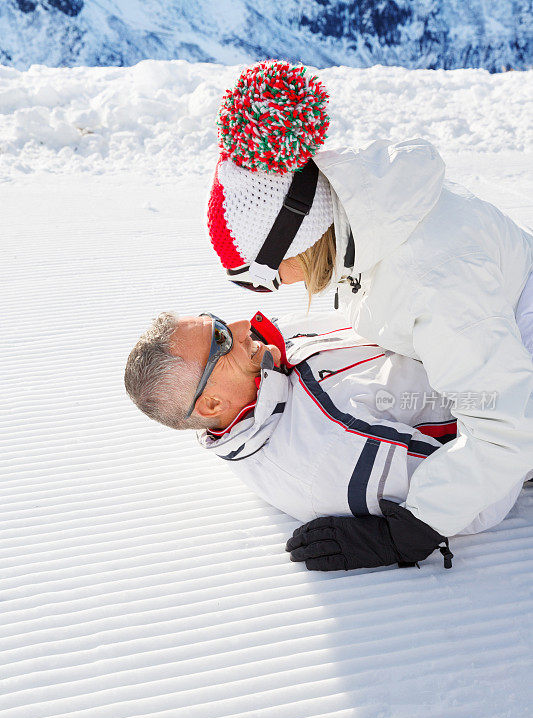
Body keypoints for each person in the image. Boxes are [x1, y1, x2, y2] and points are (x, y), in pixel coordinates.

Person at [206, 60, 533, 541]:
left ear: (296, 240)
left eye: (260, 279)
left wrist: (417, 524)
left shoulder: (431, 279)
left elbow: (507, 431)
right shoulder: (360, 212)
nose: (272, 292)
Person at [124, 309, 530, 572]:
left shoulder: (269, 361)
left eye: (214, 322)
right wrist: (398, 537)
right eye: (219, 342)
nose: (240, 326)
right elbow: (485, 496)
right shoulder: (325, 455)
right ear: (211, 403)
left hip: (486, 323)